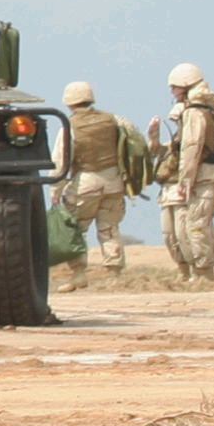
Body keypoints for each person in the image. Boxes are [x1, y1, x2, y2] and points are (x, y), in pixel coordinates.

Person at [154, 62, 214, 288]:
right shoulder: (210, 110)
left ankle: (204, 275)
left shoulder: (193, 112)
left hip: (204, 177)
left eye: (174, 87)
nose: (172, 92)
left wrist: (185, 181)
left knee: (195, 226)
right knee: (202, 224)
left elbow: (192, 149)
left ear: (185, 86)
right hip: (212, 175)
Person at [52, 81, 132, 288]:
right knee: (110, 229)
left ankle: (79, 274)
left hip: (85, 184)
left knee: (75, 230)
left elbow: (61, 161)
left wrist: (55, 190)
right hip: (114, 182)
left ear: (68, 102)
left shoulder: (70, 126)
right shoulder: (113, 120)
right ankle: (115, 276)